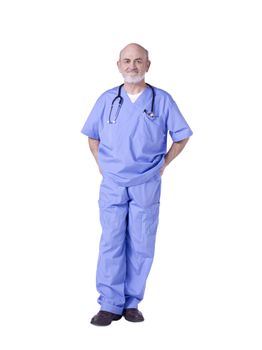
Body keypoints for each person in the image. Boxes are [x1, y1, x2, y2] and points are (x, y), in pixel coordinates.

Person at [81, 43, 193, 326]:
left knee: (142, 243)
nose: (133, 66)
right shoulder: (107, 99)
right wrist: (102, 166)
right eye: (127, 61)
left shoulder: (162, 100)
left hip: (146, 182)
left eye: (138, 61)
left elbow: (181, 136)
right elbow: (92, 136)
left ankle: (132, 303)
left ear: (148, 65)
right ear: (119, 65)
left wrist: (163, 165)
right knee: (111, 241)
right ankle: (109, 304)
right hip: (113, 182)